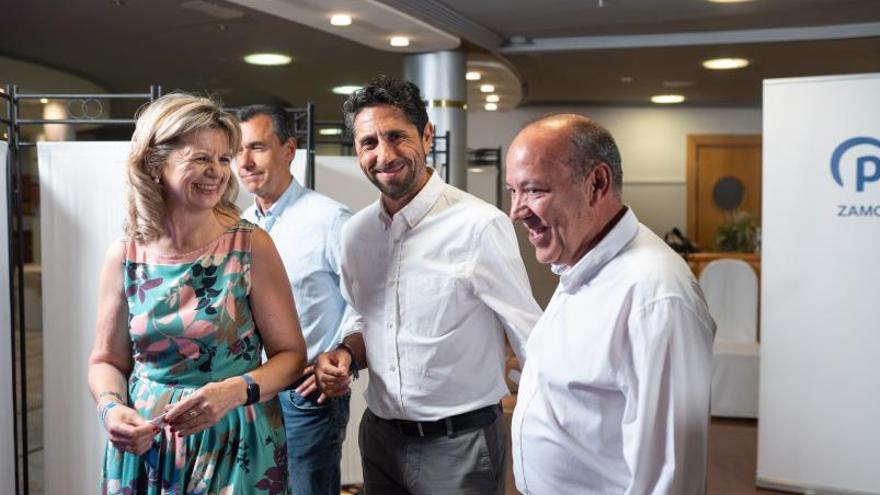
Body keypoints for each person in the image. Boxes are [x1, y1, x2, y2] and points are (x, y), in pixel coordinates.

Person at [314, 75, 542, 495]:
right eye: (368, 143)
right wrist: (345, 353)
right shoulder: (356, 234)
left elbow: (530, 336)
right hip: (380, 439)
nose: (383, 154)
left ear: (427, 135)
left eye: (396, 136)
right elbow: (360, 315)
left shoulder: (478, 225)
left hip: (461, 446)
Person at [88, 93, 307, 494]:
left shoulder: (249, 246)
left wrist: (234, 392)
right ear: (155, 163)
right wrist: (112, 409)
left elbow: (292, 358)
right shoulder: (125, 255)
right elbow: (106, 360)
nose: (217, 172)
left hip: (234, 441)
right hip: (148, 446)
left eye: (224, 159)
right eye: (200, 157)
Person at [505, 114, 716, 494]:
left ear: (596, 184)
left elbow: (669, 478)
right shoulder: (580, 265)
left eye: (534, 190)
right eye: (513, 191)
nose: (516, 211)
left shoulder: (655, 295)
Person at [236, 104, 353, 495]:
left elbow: (365, 304)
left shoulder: (330, 220)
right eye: (237, 151)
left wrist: (339, 358)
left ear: (289, 149)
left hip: (305, 396)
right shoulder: (236, 226)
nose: (245, 162)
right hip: (248, 394)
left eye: (257, 147)